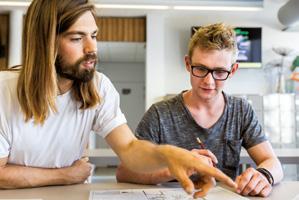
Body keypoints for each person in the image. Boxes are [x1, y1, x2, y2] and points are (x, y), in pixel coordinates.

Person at [0, 1, 236, 198]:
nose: (92, 48)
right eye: (76, 38)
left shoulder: (97, 86)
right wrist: (65, 175)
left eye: (93, 35)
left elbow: (130, 148)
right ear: (46, 43)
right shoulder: (4, 91)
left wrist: (168, 155)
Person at [116, 23, 284, 197]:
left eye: (219, 72)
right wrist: (174, 169)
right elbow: (124, 171)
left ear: (232, 70)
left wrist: (264, 175)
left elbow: (272, 162)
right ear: (188, 64)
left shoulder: (241, 111)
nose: (209, 81)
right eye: (201, 69)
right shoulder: (160, 113)